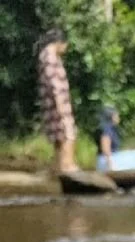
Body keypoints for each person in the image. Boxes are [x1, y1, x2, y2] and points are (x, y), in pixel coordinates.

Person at [37, 28, 77, 174]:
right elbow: (55, 86)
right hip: (57, 104)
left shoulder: (45, 56)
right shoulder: (50, 57)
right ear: (59, 43)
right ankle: (67, 165)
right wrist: (60, 107)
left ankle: (59, 166)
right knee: (68, 133)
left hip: (51, 104)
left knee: (58, 136)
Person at [96, 106, 135, 172]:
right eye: (117, 116)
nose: (118, 118)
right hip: (107, 161)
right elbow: (105, 149)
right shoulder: (107, 129)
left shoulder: (110, 128)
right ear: (111, 117)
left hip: (110, 158)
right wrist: (110, 165)